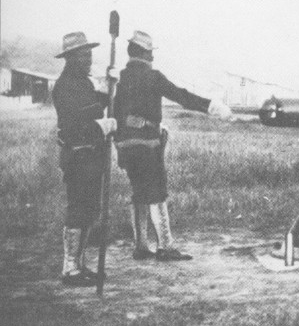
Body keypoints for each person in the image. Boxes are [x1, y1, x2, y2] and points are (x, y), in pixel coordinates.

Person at [114, 30, 232, 261]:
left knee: (139, 193)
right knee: (157, 192)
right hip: (148, 144)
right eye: (150, 52)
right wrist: (212, 107)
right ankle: (165, 247)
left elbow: (115, 111)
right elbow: (181, 96)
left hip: (125, 145)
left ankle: (140, 246)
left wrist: (119, 139)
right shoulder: (153, 77)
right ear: (145, 54)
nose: (152, 57)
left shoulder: (121, 79)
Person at [53, 32, 118, 287]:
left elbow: (94, 107)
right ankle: (70, 268)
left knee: (90, 209)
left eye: (89, 54)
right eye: (83, 55)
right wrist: (101, 126)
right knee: (78, 209)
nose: (89, 59)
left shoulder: (82, 83)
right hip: (78, 156)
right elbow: (72, 127)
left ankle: (78, 264)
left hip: (91, 156)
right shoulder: (64, 86)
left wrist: (109, 87)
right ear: (70, 58)